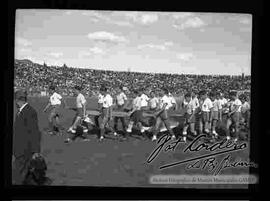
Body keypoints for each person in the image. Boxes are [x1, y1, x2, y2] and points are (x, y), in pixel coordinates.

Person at [13, 89, 42, 185]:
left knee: (19, 174)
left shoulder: (29, 112)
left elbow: (34, 132)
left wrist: (36, 150)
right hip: (19, 148)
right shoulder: (21, 111)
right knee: (21, 173)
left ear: (18, 100)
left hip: (24, 149)